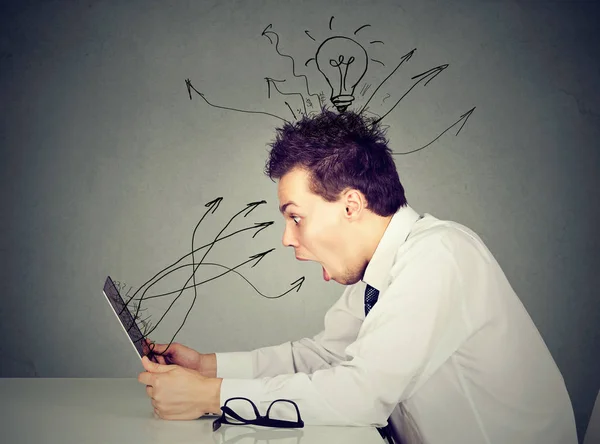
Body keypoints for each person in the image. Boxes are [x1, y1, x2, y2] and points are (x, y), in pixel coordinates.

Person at [137, 109, 578, 444]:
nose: (288, 239)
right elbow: (325, 357)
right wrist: (207, 368)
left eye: (295, 217)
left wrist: (210, 396)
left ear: (351, 205)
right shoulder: (382, 269)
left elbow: (359, 395)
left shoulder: (439, 255)